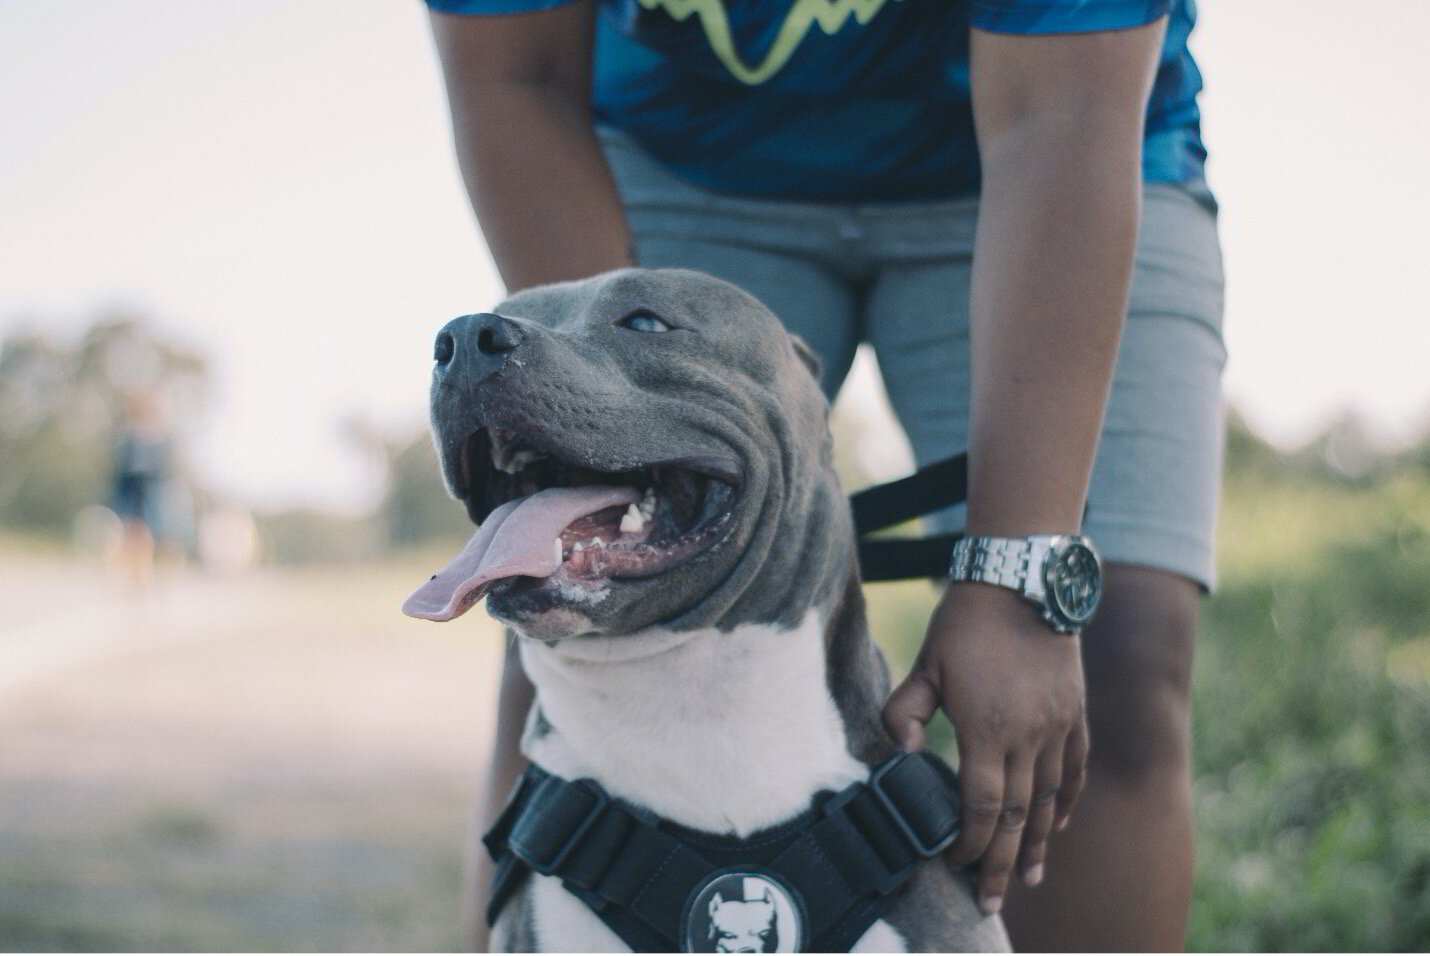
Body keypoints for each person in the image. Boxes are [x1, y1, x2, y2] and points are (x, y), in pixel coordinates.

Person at [425, 1, 1224, 950]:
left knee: (1111, 642)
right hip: (687, 152)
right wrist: (611, 422)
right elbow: (517, 72)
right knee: (565, 632)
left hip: (1044, 136)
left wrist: (1021, 572)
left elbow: (1061, 110)